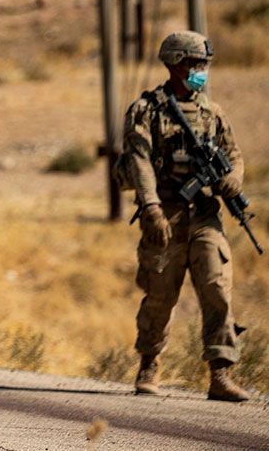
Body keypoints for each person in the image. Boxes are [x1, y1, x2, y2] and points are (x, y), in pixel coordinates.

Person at [118, 31, 250, 401]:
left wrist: (232, 180)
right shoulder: (147, 110)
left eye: (204, 65)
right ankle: (149, 364)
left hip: (205, 215)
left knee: (217, 289)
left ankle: (221, 373)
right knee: (160, 294)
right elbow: (139, 160)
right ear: (176, 64)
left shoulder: (212, 113)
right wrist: (152, 208)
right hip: (166, 216)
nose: (202, 71)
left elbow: (234, 154)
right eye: (196, 64)